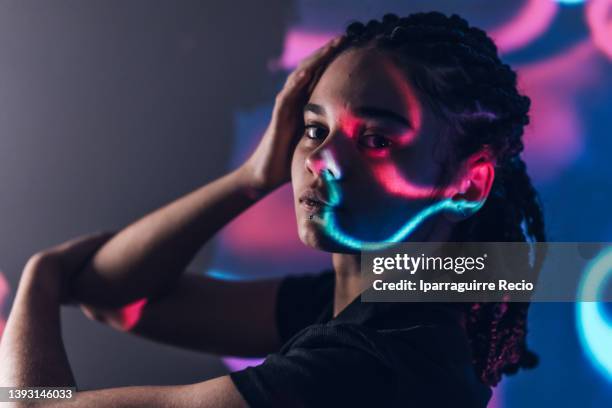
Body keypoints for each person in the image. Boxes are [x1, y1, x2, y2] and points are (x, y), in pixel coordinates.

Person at [0, 11, 546, 407]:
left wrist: (40, 277)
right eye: (313, 129)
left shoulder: (366, 365)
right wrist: (251, 177)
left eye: (376, 139)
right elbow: (120, 298)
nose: (321, 158)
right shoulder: (371, 303)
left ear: (468, 184)